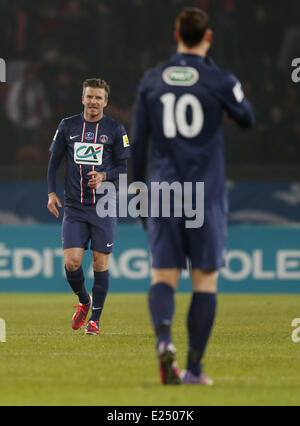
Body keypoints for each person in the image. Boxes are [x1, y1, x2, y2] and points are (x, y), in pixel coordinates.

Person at [131, 8, 255, 385]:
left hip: (165, 191)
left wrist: (139, 193)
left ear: (176, 34)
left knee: (163, 277)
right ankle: (195, 370)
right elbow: (246, 118)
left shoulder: (152, 81)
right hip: (206, 195)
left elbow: (137, 144)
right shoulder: (220, 79)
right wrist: (216, 76)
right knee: (204, 281)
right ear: (208, 37)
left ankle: (164, 339)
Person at [47, 78, 130, 335]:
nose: (93, 101)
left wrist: (104, 176)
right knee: (72, 262)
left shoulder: (116, 130)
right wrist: (51, 193)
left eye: (98, 97)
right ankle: (84, 301)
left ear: (106, 101)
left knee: (99, 262)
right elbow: (54, 163)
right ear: (82, 98)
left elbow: (123, 169)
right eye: (89, 96)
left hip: (103, 206)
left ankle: (95, 320)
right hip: (73, 206)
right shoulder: (67, 126)